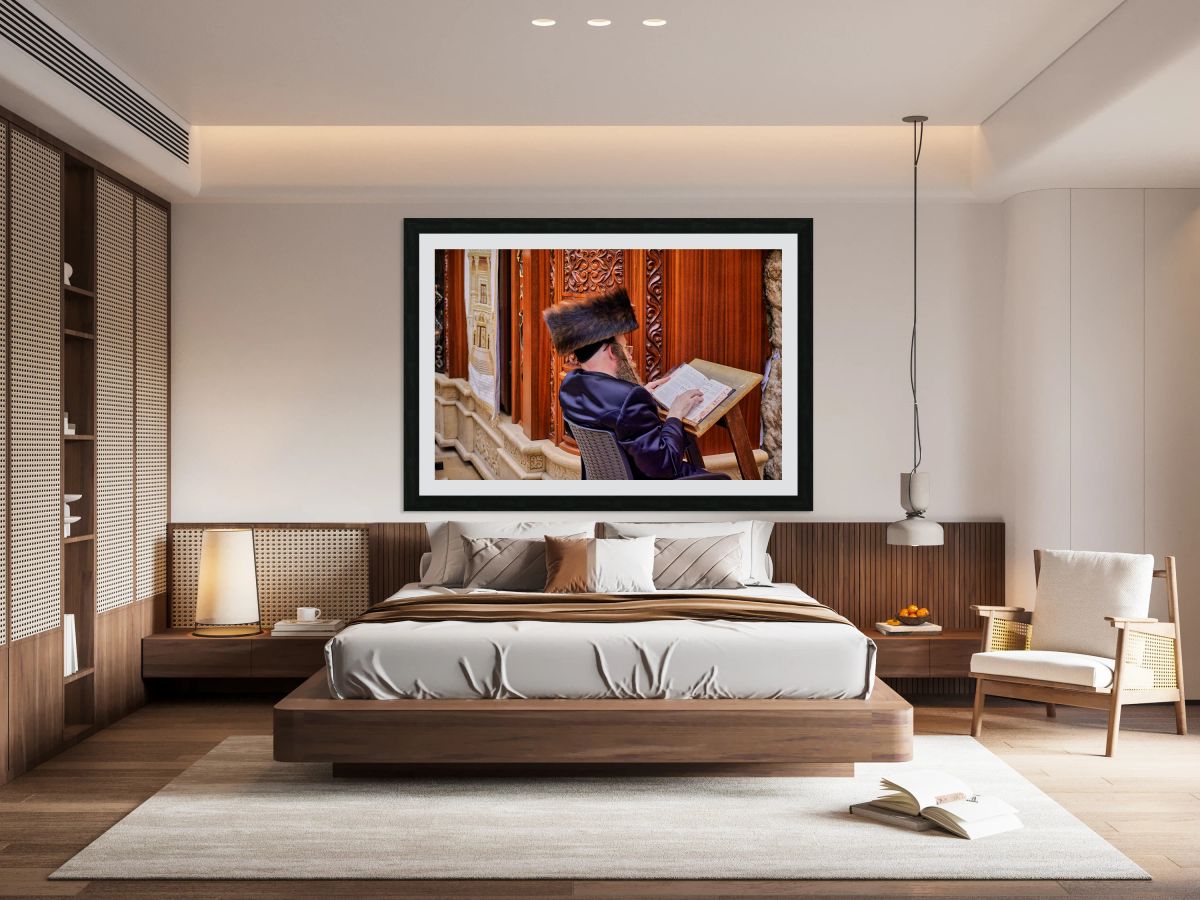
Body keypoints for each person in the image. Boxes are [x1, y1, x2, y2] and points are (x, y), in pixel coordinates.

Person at [542, 288, 727, 480]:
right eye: (625, 348)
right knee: (724, 481)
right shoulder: (628, 398)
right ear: (613, 352)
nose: (630, 355)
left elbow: (596, 421)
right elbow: (666, 466)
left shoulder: (570, 385)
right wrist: (675, 415)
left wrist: (638, 397)